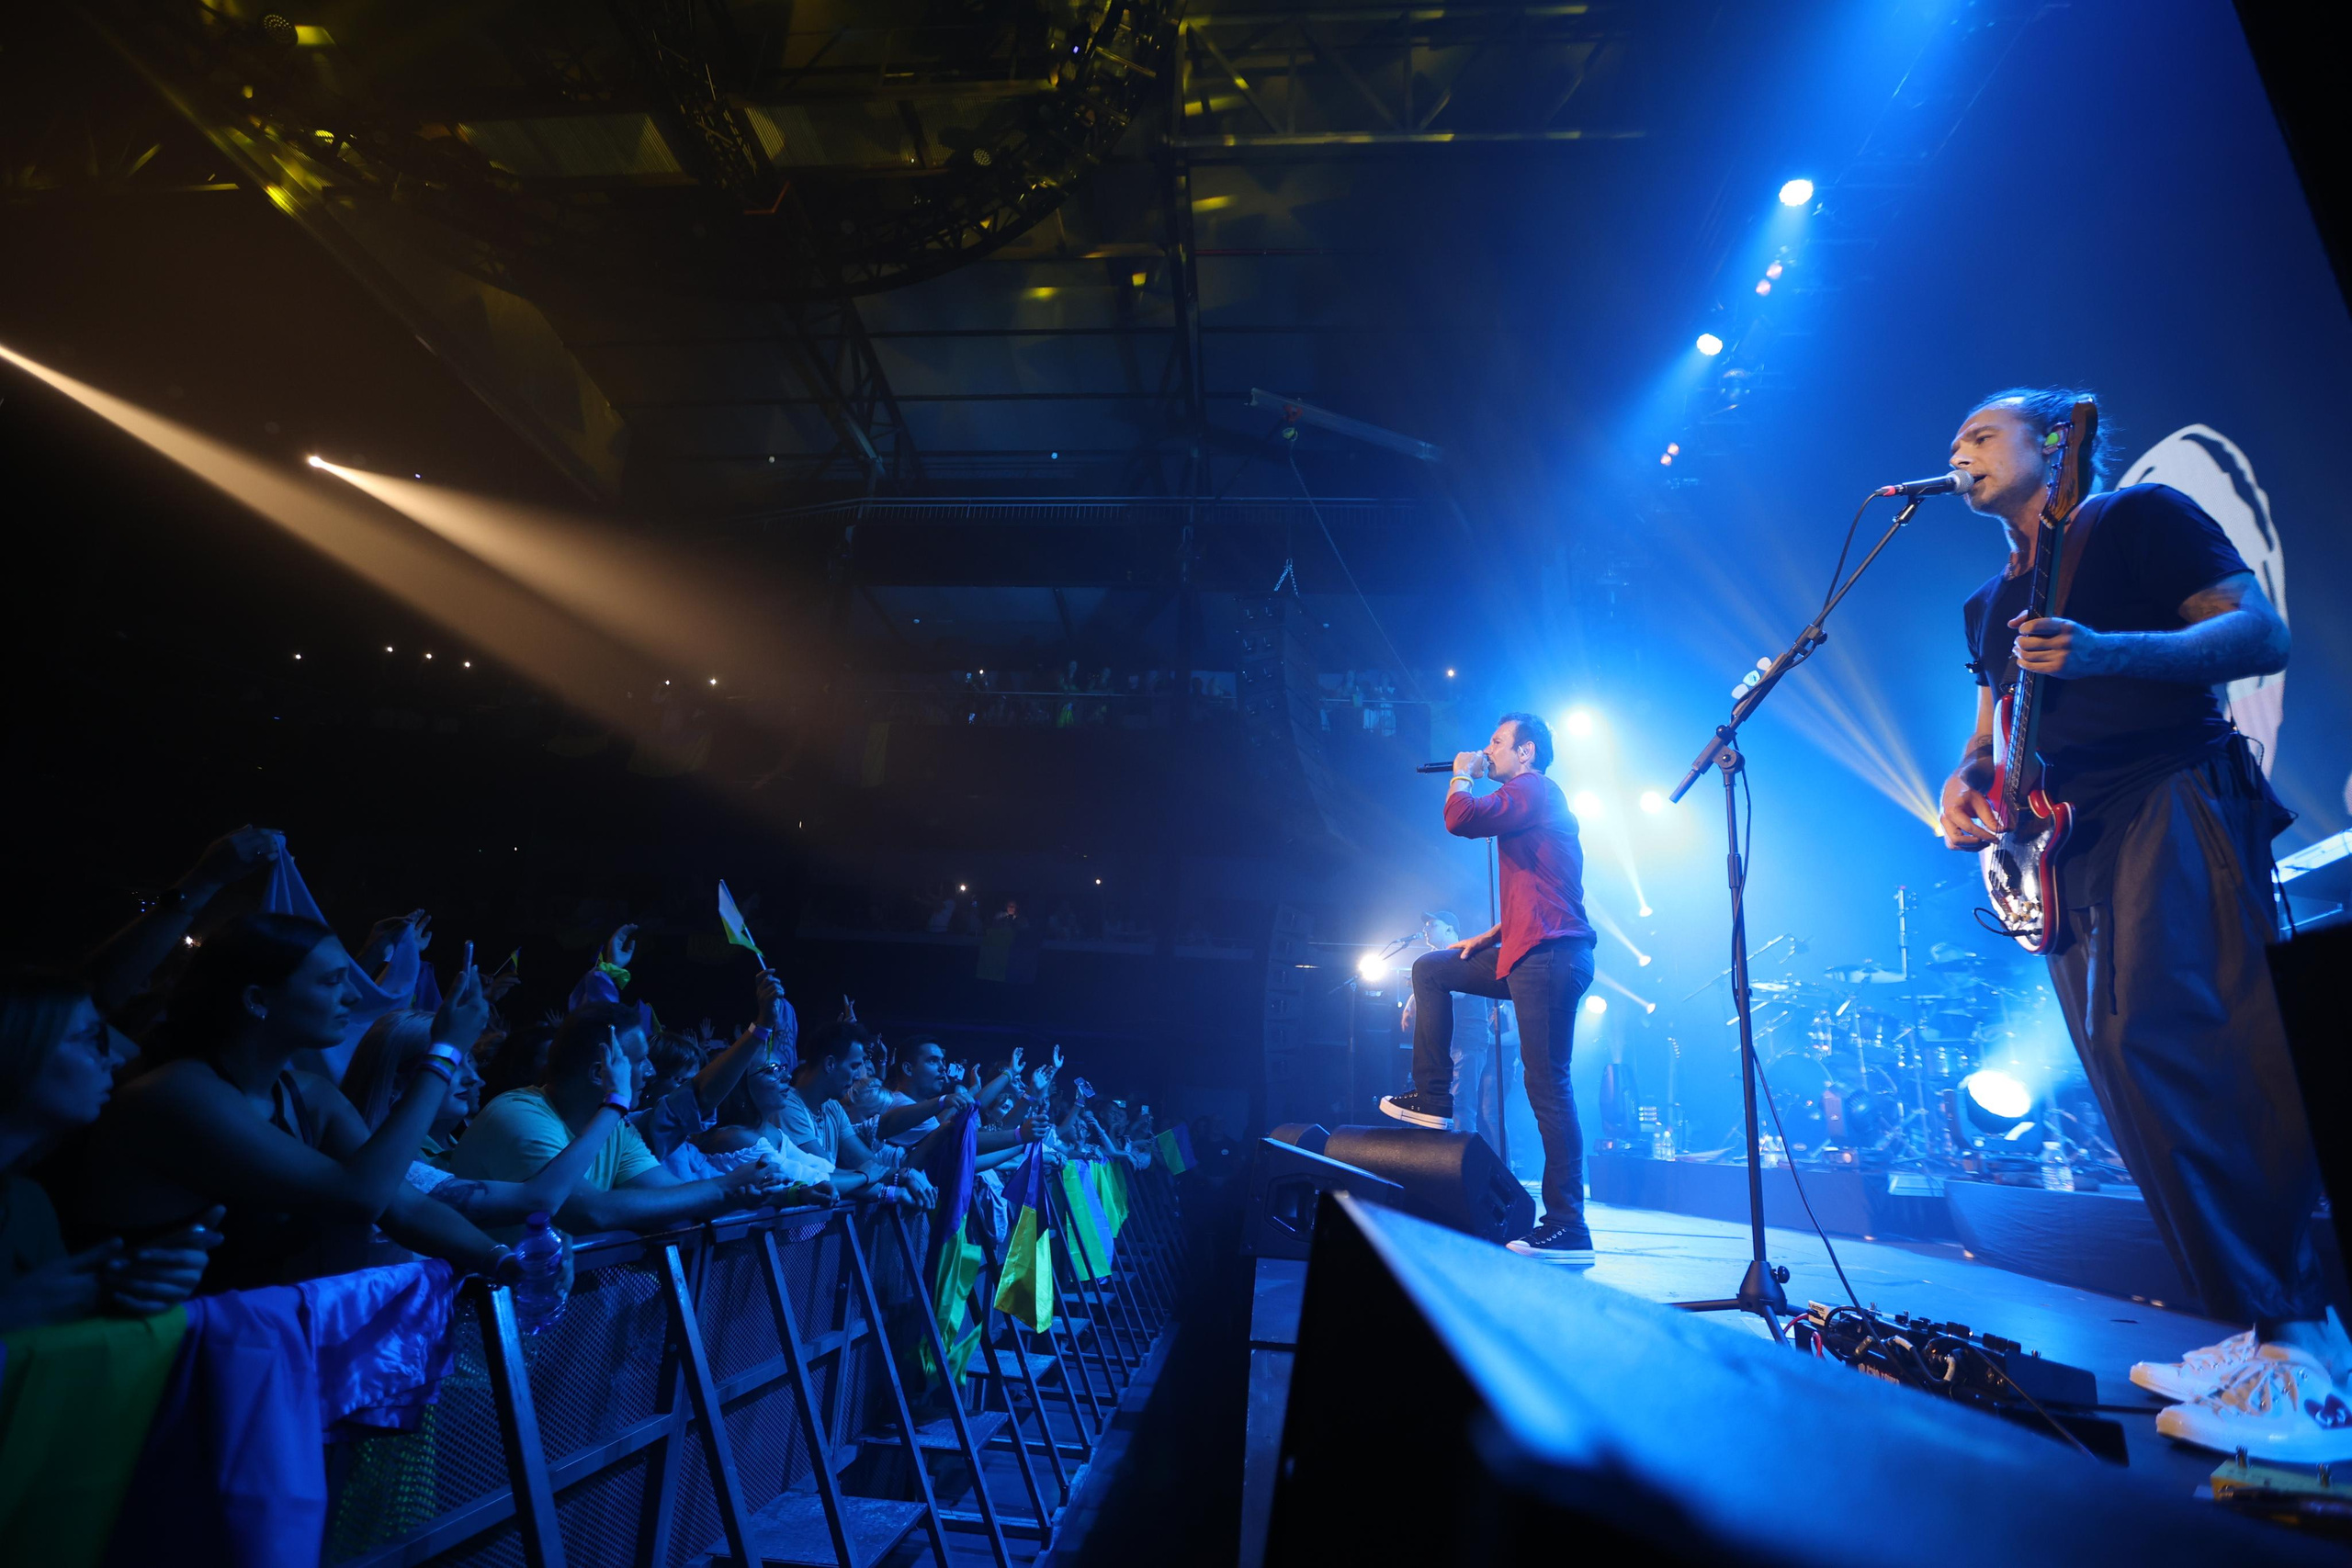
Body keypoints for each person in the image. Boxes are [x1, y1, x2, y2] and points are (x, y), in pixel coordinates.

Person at [1932, 387, 2333, 1458]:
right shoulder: (1986, 604)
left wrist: (2112, 652)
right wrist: (1964, 785)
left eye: (1980, 434)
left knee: (2192, 1047)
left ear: (2052, 438)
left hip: (2171, 789)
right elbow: (1990, 733)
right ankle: (2263, 1329)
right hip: (2070, 842)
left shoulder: (2140, 520)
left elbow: (2263, 633)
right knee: (2120, 1055)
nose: (1956, 451)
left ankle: (2304, 1355)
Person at [67, 913, 521, 1290]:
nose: (353, 995)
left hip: (241, 1348)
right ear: (259, 1000)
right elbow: (360, 1197)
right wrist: (443, 1052)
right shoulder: (180, 1094)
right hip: (147, 1359)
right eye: (331, 981)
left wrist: (506, 1261)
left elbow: (406, 1206)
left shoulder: (308, 1095)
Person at [1381, 714, 1598, 1265]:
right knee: (1432, 968)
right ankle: (1432, 1100)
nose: (1486, 749)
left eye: (1497, 742)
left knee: (1548, 1084)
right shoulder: (1532, 800)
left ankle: (1569, 1225)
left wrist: (1461, 775)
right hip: (1528, 948)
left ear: (1526, 752)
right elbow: (1548, 887)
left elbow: (1461, 819)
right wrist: (1495, 933)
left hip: (1551, 957)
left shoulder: (1534, 788)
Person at [442, 1005, 795, 1242]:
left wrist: (750, 1193)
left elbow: (668, 1196)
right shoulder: (519, 1116)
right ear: (601, 1073)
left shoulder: (613, 1128)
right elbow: (589, 1212)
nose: (651, 1071)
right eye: (640, 1062)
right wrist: (726, 1186)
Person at [1, 973, 221, 1329]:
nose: (116, 1060)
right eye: (92, 1039)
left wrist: (120, 1286)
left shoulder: (29, 1205)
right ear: (14, 1044)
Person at [341, 1009, 633, 1230]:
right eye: (452, 1064)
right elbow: (539, 1201)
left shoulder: (453, 1146)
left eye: (472, 1062)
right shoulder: (389, 1165)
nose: (474, 1078)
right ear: (393, 1082)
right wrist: (615, 1101)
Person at [763, 1022, 935, 1206]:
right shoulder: (788, 1106)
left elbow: (866, 1162)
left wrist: (904, 1175)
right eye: (854, 1066)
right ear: (830, 1064)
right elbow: (826, 1175)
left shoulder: (833, 1108)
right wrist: (892, 1190)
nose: (857, 1076)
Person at [1396, 911, 1500, 1147]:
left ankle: (1462, 1166)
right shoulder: (1437, 959)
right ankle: (1442, 1161)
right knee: (1445, 1107)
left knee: (1461, 1106)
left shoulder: (1462, 954)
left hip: (1467, 1041)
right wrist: (1412, 1003)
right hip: (1452, 1044)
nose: (1426, 929)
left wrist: (1416, 1001)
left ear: (1449, 930)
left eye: (1432, 925)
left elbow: (1458, 990)